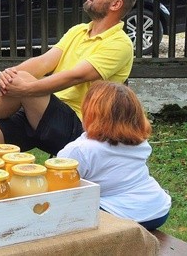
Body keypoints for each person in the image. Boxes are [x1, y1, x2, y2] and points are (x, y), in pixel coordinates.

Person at [0, 0, 137, 156]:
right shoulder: (78, 31)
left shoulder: (120, 44)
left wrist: (27, 89)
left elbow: (75, 76)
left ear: (115, 4)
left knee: (21, 80)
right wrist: (9, 73)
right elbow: (44, 61)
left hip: (79, 127)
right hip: (43, 111)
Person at [57, 81, 171, 230]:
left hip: (117, 214)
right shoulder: (140, 143)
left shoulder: (80, 150)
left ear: (90, 114)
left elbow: (58, 189)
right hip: (157, 210)